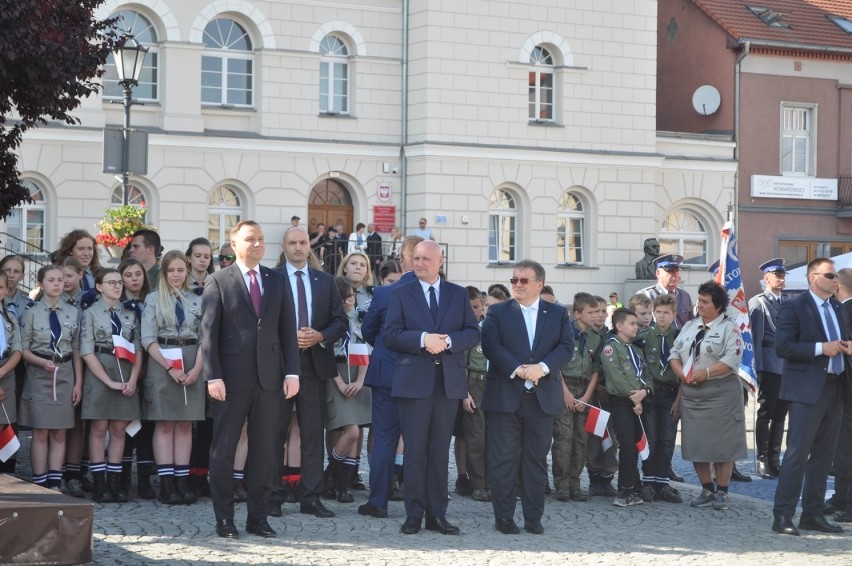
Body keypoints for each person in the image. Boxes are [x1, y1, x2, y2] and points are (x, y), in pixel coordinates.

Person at [201, 220, 301, 539]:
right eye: (250, 239)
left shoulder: (276, 280)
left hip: (270, 379)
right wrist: (213, 376)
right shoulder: (218, 281)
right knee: (224, 450)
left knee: (265, 452)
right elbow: (208, 335)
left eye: (260, 239)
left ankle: (258, 517)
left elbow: (287, 330)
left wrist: (292, 372)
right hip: (230, 380)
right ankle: (224, 519)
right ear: (234, 245)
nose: (257, 244)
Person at [382, 240, 479, 535]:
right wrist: (423, 339)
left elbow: (472, 333)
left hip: (448, 385)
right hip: (413, 384)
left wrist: (448, 342)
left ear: (441, 261)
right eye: (416, 258)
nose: (419, 263)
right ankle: (414, 513)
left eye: (425, 259)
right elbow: (390, 335)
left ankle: (437, 514)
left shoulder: (458, 294)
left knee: (439, 452)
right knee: (414, 451)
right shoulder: (400, 293)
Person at [481, 259, 573, 535]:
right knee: (504, 460)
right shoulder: (498, 312)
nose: (517, 285)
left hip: (542, 400)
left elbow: (566, 347)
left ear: (539, 284)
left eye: (523, 280)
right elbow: (490, 346)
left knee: (535, 461)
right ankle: (504, 518)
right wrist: (519, 369)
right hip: (505, 397)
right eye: (514, 280)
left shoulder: (557, 314)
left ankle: (533, 518)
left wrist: (542, 368)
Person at [771, 258, 848, 536]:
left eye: (836, 275)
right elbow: (783, 347)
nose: (835, 280)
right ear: (813, 277)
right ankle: (782, 515)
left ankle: (813, 514)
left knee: (823, 457)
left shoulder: (837, 307)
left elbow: (839, 339)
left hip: (835, 387)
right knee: (797, 455)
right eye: (830, 275)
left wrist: (845, 345)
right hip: (806, 391)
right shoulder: (794, 306)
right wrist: (820, 348)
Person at [275, 226, 348, 519]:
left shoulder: (325, 281)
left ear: (309, 246)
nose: (298, 247)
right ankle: (272, 496)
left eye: (303, 242)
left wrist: (320, 336)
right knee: (274, 433)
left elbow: (340, 321)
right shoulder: (272, 279)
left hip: (314, 365)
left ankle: (311, 496)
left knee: (312, 433)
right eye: (292, 243)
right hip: (280, 366)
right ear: (284, 246)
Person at [358, 236, 423, 520]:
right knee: (419, 439)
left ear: (402, 258)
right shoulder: (435, 294)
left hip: (387, 373)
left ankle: (378, 502)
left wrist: (386, 349)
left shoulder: (384, 294)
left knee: (384, 439)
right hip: (420, 375)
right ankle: (417, 502)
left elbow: (370, 331)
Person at [669, 280, 745, 512]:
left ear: (718, 306)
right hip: (693, 394)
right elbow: (674, 353)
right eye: (699, 300)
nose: (699, 305)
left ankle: (722, 491)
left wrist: (705, 373)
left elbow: (731, 361)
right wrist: (681, 373)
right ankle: (706, 489)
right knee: (697, 444)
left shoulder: (729, 329)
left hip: (721, 393)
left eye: (704, 302)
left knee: (722, 446)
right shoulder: (690, 326)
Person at [141, 250, 204, 505]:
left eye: (181, 270)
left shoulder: (198, 299)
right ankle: (166, 484)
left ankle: (181, 481)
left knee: (186, 424)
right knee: (165, 423)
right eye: (171, 270)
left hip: (192, 359)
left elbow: (206, 337)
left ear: (187, 270)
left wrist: (197, 369)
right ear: (164, 272)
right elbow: (147, 338)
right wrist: (170, 367)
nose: (176, 275)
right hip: (163, 359)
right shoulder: (154, 299)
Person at [80, 268, 143, 503]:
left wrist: (133, 379)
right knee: (98, 430)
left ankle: (114, 483)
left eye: (119, 282)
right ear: (99, 287)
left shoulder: (129, 312)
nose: (117, 286)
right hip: (100, 372)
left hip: (125, 372)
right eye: (111, 282)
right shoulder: (90, 313)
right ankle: (99, 483)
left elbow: (138, 348)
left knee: (118, 430)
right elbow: (86, 350)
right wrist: (107, 381)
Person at [19, 265, 82, 490]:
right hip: (40, 372)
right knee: (41, 431)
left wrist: (78, 383)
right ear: (42, 284)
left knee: (60, 430)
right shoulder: (31, 312)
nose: (57, 284)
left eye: (60, 279)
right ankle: (39, 481)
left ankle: (55, 481)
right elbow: (23, 350)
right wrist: (41, 362)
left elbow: (76, 349)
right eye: (51, 280)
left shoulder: (72, 312)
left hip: (64, 372)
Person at [325, 277, 372, 503]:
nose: (347, 302)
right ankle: (330, 474)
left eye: (351, 296)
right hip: (336, 375)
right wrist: (341, 383)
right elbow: (326, 355)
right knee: (350, 431)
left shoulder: (360, 319)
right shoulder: (330, 321)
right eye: (342, 298)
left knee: (356, 432)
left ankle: (342, 484)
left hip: (357, 373)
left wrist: (361, 381)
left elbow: (364, 350)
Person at [552, 292, 601, 503]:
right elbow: (556, 367)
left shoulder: (595, 338)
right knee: (563, 438)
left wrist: (587, 396)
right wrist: (566, 393)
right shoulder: (564, 335)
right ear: (578, 313)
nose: (595, 316)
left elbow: (596, 370)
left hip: (584, 390)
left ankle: (575, 483)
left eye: (597, 312)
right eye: (591, 312)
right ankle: (561, 484)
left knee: (581, 439)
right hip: (565, 388)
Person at [600, 308, 651, 507]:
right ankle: (624, 491)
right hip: (622, 401)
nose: (636, 327)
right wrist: (635, 398)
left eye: (636, 324)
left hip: (639, 400)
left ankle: (634, 485)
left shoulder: (636, 349)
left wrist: (645, 391)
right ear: (619, 326)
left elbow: (645, 375)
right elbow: (617, 378)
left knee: (637, 443)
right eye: (632, 323)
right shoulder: (611, 348)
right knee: (627, 444)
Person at [117, 258, 156, 499]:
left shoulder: (152, 302)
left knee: (147, 428)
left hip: (152, 369)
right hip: (125, 369)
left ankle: (144, 481)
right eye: (129, 274)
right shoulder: (116, 306)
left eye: (138, 274)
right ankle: (121, 478)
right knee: (125, 425)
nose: (134, 278)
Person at [748, 258, 789, 480]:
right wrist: (757, 370)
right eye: (778, 276)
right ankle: (762, 459)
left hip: (786, 365)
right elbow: (756, 339)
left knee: (781, 414)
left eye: (783, 276)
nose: (781, 280)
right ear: (767, 278)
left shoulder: (787, 302)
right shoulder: (758, 303)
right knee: (766, 412)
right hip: (769, 363)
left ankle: (774, 459)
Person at [640, 294, 682, 503]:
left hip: (672, 393)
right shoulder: (645, 336)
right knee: (651, 437)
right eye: (658, 313)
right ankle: (648, 482)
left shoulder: (681, 337)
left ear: (674, 314)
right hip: (651, 392)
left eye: (666, 313)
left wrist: (679, 400)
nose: (662, 317)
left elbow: (685, 371)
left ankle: (662, 483)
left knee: (667, 439)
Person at [828, 268, 852, 523]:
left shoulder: (843, 311)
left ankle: (846, 501)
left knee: (845, 449)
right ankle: (841, 497)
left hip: (846, 389)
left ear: (836, 287)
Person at [462, 286, 490, 502]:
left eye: (481, 306)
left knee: (494, 437)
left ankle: (493, 482)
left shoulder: (494, 330)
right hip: (475, 383)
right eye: (472, 307)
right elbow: (462, 364)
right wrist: (465, 392)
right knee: (476, 437)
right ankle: (478, 484)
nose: (479, 311)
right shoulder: (472, 332)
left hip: (495, 385)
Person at [0, 270, 23, 475]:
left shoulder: (10, 317)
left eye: (0, 287)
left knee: (4, 423)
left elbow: (17, 350)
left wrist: (2, 373)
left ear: (6, 290)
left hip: (5, 372)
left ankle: (5, 473)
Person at [640, 254, 694, 329]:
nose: (674, 275)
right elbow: (642, 325)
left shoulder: (685, 296)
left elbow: (691, 323)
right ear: (658, 273)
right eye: (670, 271)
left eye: (676, 271)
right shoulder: (646, 295)